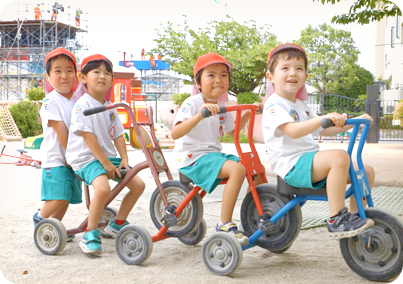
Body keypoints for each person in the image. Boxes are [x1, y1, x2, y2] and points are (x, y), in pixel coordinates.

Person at [262, 43, 375, 240]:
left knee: (365, 171)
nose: (293, 73)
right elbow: (292, 130)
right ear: (270, 76)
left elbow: (325, 128)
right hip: (292, 166)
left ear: (305, 76)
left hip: (308, 162)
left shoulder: (301, 105)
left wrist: (351, 121)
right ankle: (336, 219)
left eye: (299, 68)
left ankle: (356, 215)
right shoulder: (274, 104)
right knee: (339, 157)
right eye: (285, 68)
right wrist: (321, 120)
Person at [171, 52, 262, 246]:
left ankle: (253, 217)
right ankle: (224, 223)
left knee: (253, 168)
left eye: (223, 75)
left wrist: (249, 111)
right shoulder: (192, 103)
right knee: (237, 169)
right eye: (211, 75)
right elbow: (175, 133)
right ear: (198, 83)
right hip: (192, 158)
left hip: (211, 156)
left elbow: (233, 131)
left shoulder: (221, 106)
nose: (218, 79)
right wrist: (200, 115)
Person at [66, 54, 145, 255]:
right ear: (83, 77)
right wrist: (106, 164)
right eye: (97, 72)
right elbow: (87, 136)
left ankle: (117, 224)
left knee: (138, 185)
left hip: (107, 158)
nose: (103, 76)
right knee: (101, 190)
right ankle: (90, 233)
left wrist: (124, 159)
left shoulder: (111, 107)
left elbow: (118, 134)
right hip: (85, 158)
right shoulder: (82, 105)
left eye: (107, 73)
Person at [33, 47, 82, 242]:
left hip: (74, 158)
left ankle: (56, 227)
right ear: (48, 76)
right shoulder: (50, 102)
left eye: (69, 70)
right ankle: (40, 219)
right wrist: (72, 156)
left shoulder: (79, 100)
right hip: (57, 158)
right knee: (59, 197)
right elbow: (61, 131)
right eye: (58, 71)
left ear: (76, 74)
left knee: (67, 197)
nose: (64, 76)